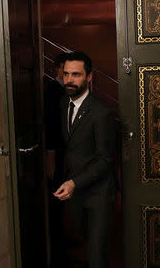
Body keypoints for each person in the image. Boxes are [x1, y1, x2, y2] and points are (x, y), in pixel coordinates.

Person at [53, 51, 116, 268]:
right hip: (75, 193)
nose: (69, 80)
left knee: (97, 255)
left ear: (89, 77)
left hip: (98, 193)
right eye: (66, 74)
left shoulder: (101, 112)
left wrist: (73, 183)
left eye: (76, 75)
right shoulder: (63, 104)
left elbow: (105, 160)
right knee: (85, 245)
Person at [44, 52, 68, 267]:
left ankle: (62, 240)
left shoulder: (64, 89)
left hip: (64, 150)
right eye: (64, 68)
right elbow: (51, 123)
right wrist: (51, 154)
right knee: (57, 194)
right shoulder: (53, 90)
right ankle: (56, 246)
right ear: (57, 69)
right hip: (57, 151)